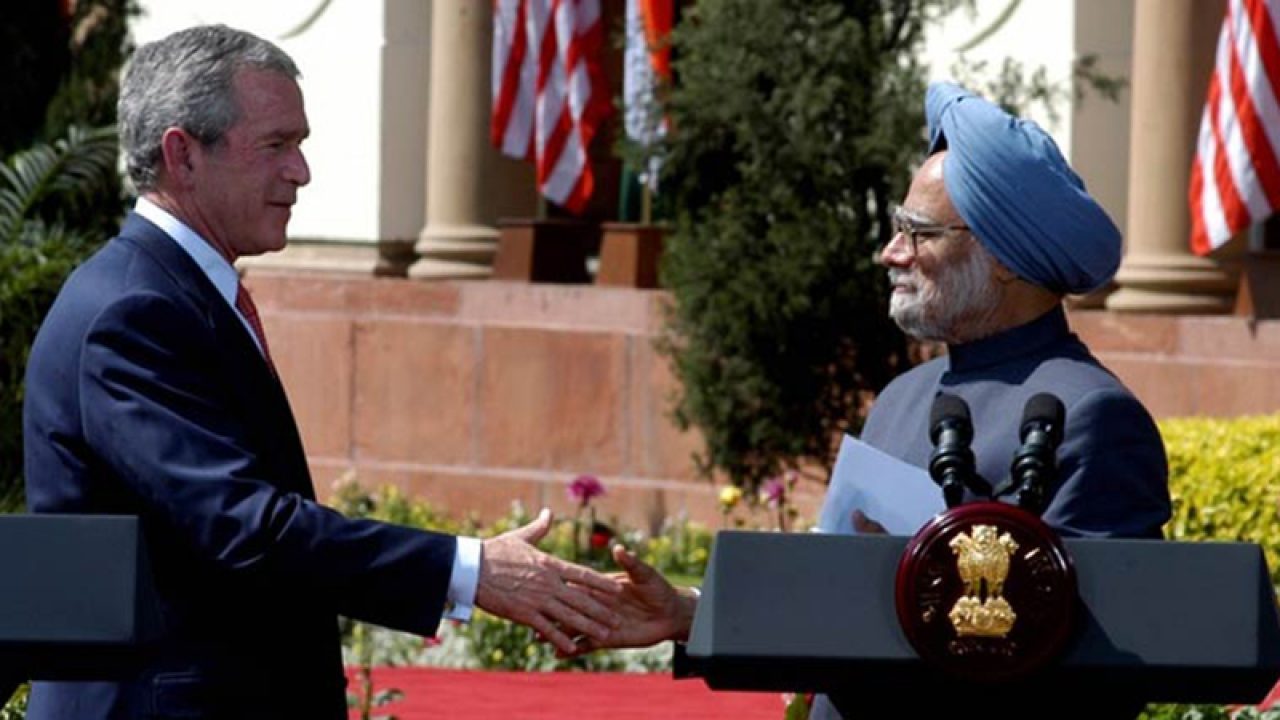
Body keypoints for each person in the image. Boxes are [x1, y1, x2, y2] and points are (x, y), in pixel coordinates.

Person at [22, 25, 620, 719]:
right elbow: (247, 526)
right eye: (276, 145)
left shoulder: (171, 291)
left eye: (299, 144)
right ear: (182, 154)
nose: (300, 172)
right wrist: (470, 570)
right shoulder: (133, 310)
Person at [577, 82, 1172, 718]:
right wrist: (689, 613)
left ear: (1001, 258)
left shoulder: (1093, 416)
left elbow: (1094, 674)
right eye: (896, 228)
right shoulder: (903, 398)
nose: (890, 253)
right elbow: (839, 600)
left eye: (919, 233)